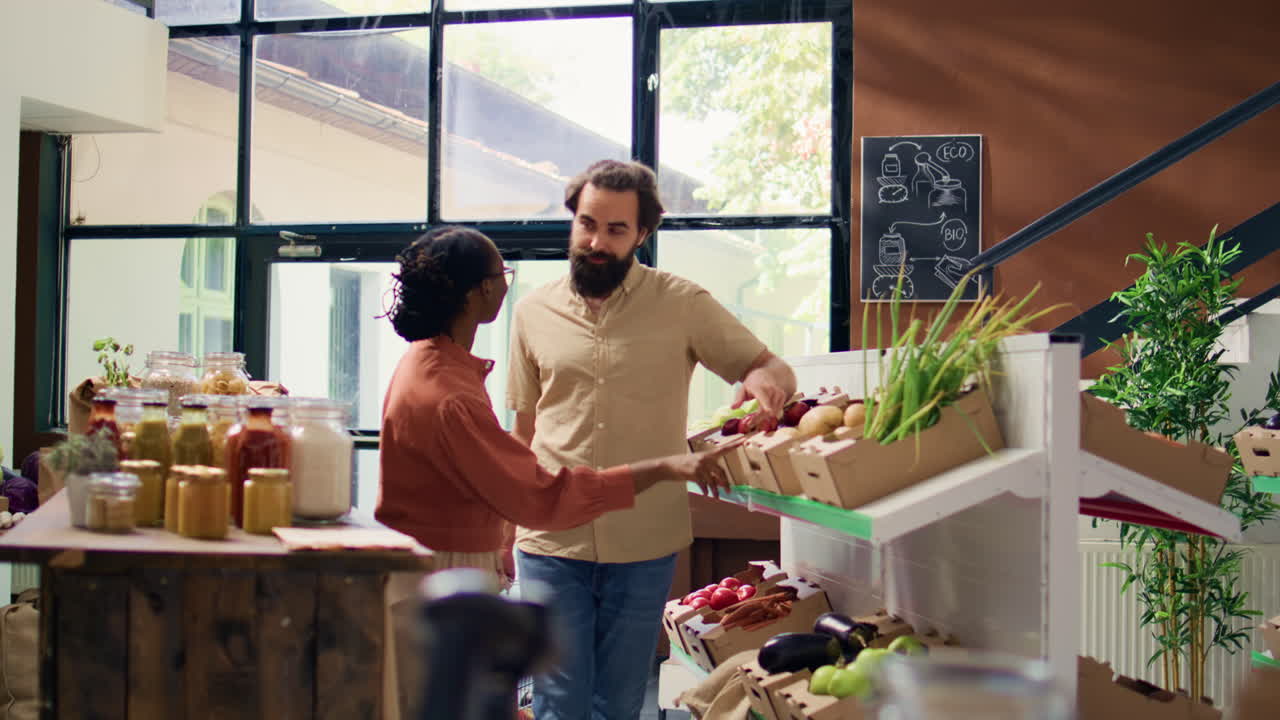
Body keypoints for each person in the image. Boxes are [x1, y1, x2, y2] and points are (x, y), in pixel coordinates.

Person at [374, 225, 739, 719]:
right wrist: (658, 469)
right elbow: (538, 495)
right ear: (481, 291)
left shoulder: (431, 363)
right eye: (501, 272)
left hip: (443, 560)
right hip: (448, 569)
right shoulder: (449, 392)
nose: (506, 283)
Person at [506, 159, 797, 719]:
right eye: (587, 224)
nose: (596, 241)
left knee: (617, 703)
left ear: (642, 234)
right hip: (548, 541)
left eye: (616, 230)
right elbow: (522, 434)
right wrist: (503, 529)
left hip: (644, 542)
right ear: (572, 220)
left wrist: (764, 385)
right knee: (556, 701)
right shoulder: (531, 312)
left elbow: (767, 366)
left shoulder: (682, 303)